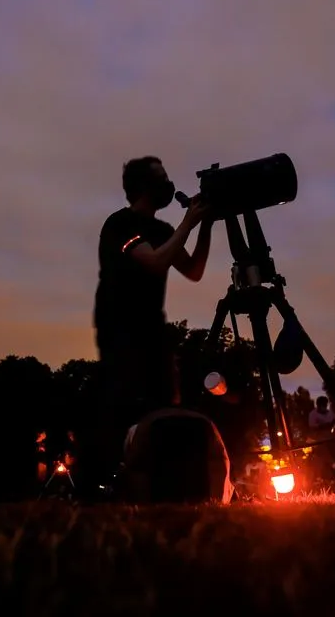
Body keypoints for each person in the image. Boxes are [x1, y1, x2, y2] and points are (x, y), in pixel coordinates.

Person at [84, 156, 213, 492]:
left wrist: (207, 225)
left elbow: (194, 270)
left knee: (163, 405)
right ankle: (110, 484)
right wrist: (188, 222)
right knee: (124, 403)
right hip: (120, 328)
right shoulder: (120, 225)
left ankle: (163, 484)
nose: (169, 184)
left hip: (154, 329)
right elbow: (155, 262)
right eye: (162, 177)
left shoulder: (163, 230)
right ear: (144, 186)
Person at [308, 396, 335, 483]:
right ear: (318, 405)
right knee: (326, 461)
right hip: (320, 442)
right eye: (322, 405)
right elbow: (312, 427)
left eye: (325, 404)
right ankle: (327, 479)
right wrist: (324, 426)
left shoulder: (330, 413)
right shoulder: (313, 414)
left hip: (332, 439)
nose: (324, 407)